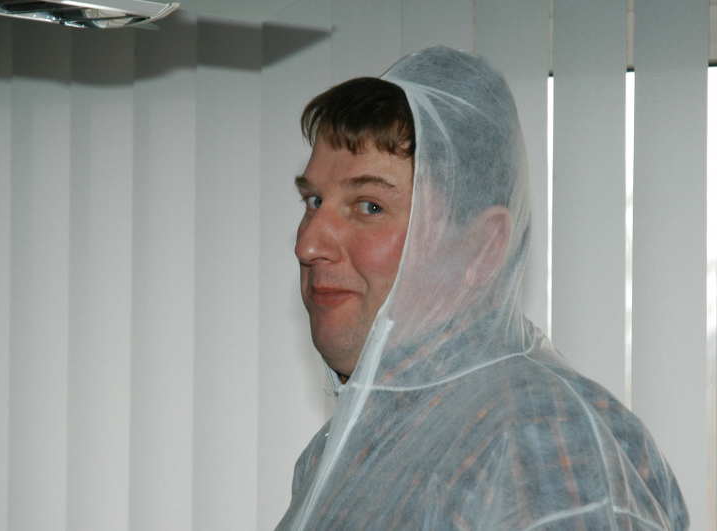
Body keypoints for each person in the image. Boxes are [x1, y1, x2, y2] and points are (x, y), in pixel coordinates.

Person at [276, 46, 688, 530]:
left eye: (370, 206)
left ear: (481, 246)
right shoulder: (339, 452)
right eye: (314, 201)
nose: (308, 244)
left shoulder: (538, 439)